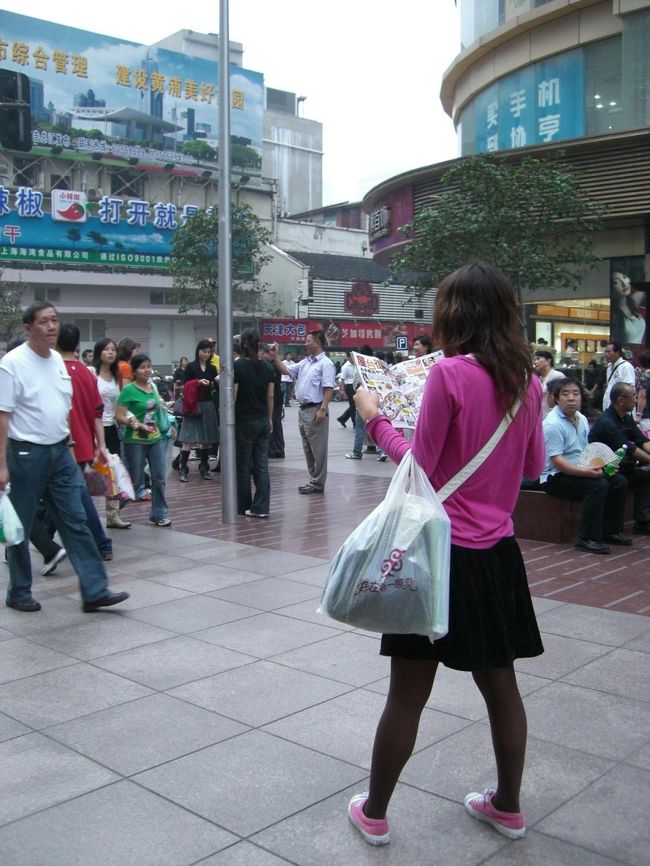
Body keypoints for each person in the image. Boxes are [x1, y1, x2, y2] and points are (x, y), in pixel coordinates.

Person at [350, 262, 545, 846]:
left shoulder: (449, 377)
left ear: (452, 315)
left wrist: (375, 418)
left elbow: (422, 473)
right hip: (495, 557)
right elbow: (533, 469)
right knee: (501, 686)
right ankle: (508, 806)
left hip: (435, 558)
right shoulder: (529, 384)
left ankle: (375, 812)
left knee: (407, 695)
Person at [0, 302, 128, 612]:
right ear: (29, 328)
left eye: (55, 320)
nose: (52, 326)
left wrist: (70, 445)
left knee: (77, 519)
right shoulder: (12, 364)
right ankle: (19, 591)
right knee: (22, 523)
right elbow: (3, 417)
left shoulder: (57, 360)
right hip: (25, 453)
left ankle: (95, 590)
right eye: (44, 321)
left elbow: (63, 407)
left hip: (60, 451)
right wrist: (1, 466)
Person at [541, 378, 629, 554]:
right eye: (565, 394)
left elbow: (586, 451)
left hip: (579, 469)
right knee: (597, 485)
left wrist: (604, 466)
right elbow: (557, 461)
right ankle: (586, 538)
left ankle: (610, 531)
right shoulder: (552, 424)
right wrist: (587, 473)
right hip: (555, 477)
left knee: (618, 481)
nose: (571, 398)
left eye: (575, 393)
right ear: (557, 399)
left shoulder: (581, 419)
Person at [57, 324, 114, 561]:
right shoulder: (86, 373)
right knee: (61, 496)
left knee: (72, 497)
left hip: (63, 445)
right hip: (83, 445)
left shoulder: (55, 371)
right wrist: (100, 445)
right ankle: (44, 544)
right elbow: (97, 413)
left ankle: (101, 543)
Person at [271, 330, 336, 494]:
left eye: (308, 341)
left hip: (316, 409)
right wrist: (276, 356)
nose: (305, 343)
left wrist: (323, 408)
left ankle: (318, 482)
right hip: (303, 410)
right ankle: (313, 479)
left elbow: (329, 388)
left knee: (318, 449)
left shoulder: (326, 363)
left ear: (318, 343)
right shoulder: (305, 362)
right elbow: (286, 371)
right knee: (308, 448)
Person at [116, 353, 171, 527]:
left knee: (159, 477)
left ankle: (159, 513)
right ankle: (114, 508)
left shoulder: (152, 387)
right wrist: (136, 425)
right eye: (143, 367)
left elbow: (157, 411)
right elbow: (119, 415)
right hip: (135, 440)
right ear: (134, 370)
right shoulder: (128, 390)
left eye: (149, 366)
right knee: (135, 480)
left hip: (155, 438)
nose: (147, 370)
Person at [589, 382, 650, 535]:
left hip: (622, 464)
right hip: (606, 467)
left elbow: (642, 442)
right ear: (621, 400)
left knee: (646, 473)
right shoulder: (607, 422)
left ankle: (643, 521)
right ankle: (613, 530)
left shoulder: (626, 418)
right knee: (625, 480)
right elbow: (630, 449)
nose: (636, 400)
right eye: (633, 397)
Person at [234, 329, 274, 517]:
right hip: (263, 421)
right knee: (261, 465)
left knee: (243, 465)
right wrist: (270, 418)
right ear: (259, 345)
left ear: (242, 344)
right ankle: (261, 507)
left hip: (244, 421)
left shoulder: (238, 366)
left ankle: (243, 505)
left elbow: (233, 396)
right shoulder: (268, 367)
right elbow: (271, 396)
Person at [93, 337, 131, 529]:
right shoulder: (92, 374)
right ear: (99, 352)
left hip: (112, 428)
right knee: (91, 472)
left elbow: (120, 403)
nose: (111, 353)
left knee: (113, 471)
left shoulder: (117, 376)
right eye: (107, 349)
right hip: (95, 428)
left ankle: (112, 515)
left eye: (113, 350)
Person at [176, 340, 219, 482]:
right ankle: (183, 468)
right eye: (204, 351)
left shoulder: (212, 369)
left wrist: (215, 382)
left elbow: (214, 388)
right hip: (193, 405)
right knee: (187, 438)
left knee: (206, 439)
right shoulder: (191, 367)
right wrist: (198, 383)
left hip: (207, 404)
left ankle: (204, 467)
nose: (206, 354)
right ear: (198, 350)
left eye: (208, 352)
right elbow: (185, 386)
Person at [261, 342, 285, 459]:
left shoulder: (270, 365)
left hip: (273, 397)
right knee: (276, 422)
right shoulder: (273, 364)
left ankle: (275, 449)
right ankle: (278, 449)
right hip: (276, 397)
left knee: (273, 422)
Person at [611, 271, 646, 346]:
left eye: (624, 277)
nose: (624, 283)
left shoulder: (633, 305)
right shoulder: (614, 316)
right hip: (626, 353)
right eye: (616, 282)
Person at [533, 349, 566, 418]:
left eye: (538, 359)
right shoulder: (538, 378)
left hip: (554, 418)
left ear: (548, 360)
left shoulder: (557, 376)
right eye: (534, 360)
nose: (535, 362)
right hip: (540, 417)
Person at [603, 342, 635, 410]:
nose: (606, 355)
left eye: (609, 352)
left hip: (621, 408)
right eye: (605, 352)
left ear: (617, 353)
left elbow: (629, 389)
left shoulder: (626, 367)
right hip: (609, 405)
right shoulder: (609, 368)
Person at [337, 352, 356, 428]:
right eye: (352, 356)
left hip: (355, 386)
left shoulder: (355, 365)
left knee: (354, 405)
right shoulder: (346, 367)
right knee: (353, 406)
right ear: (348, 357)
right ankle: (355, 423)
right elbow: (342, 379)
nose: (353, 358)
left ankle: (342, 419)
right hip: (349, 386)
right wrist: (341, 390)